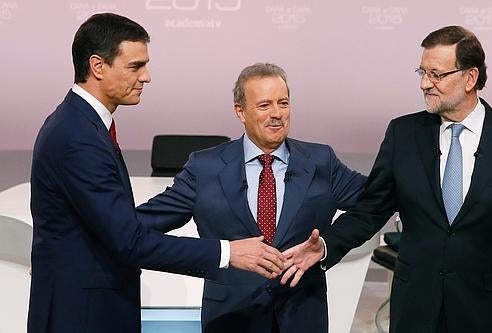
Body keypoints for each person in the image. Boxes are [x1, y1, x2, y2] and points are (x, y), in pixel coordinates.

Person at [282, 26, 492, 333]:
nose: (425, 84)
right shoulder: (403, 135)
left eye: (436, 74)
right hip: (415, 309)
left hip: (486, 311)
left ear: (470, 78)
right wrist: (325, 246)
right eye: (422, 72)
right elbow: (370, 211)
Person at [28, 13, 285, 333]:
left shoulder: (82, 126)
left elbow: (111, 228)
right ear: (98, 66)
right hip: (81, 314)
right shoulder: (77, 136)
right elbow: (129, 241)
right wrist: (228, 251)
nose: (146, 77)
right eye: (135, 66)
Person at [136, 62, 366, 333]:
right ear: (240, 111)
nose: (277, 114)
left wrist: (328, 244)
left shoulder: (320, 161)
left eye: (283, 103)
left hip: (301, 315)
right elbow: (141, 223)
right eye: (265, 105)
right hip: (231, 317)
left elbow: (375, 203)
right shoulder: (205, 167)